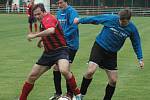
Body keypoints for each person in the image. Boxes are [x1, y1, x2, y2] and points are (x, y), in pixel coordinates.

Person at [74, 9, 144, 100]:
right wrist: (79, 20)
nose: (121, 22)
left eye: (124, 21)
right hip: (99, 47)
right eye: (120, 20)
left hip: (111, 54)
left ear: (129, 20)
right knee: (91, 71)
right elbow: (96, 19)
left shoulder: (132, 29)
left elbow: (136, 43)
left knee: (113, 81)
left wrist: (140, 58)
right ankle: (81, 95)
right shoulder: (111, 18)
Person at [19, 3, 81, 100]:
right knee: (32, 76)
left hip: (61, 50)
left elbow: (51, 30)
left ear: (44, 12)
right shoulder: (44, 20)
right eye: (35, 15)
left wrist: (34, 35)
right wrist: (40, 41)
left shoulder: (49, 18)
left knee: (64, 70)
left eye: (39, 14)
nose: (37, 17)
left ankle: (78, 95)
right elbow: (49, 32)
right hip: (48, 53)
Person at [49, 0, 79, 100]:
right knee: (56, 68)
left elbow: (73, 26)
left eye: (61, 2)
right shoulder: (58, 12)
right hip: (60, 45)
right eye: (58, 3)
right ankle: (58, 93)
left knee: (66, 69)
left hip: (71, 45)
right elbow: (57, 26)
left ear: (66, 2)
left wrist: (62, 37)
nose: (59, 5)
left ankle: (70, 94)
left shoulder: (72, 11)